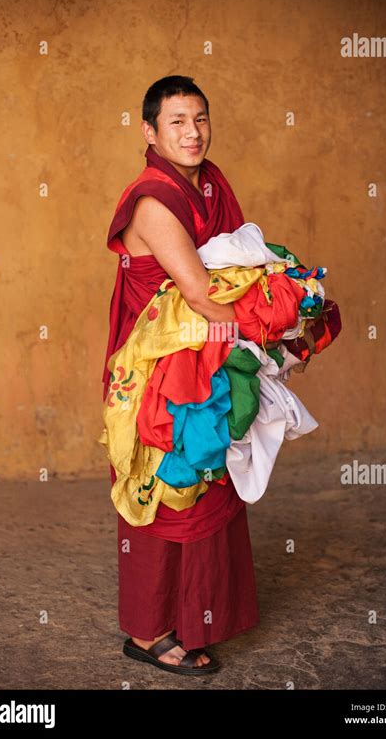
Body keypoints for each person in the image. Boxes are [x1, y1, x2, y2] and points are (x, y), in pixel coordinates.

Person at [103, 75, 280, 675]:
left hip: (206, 360)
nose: (192, 132)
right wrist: (271, 333)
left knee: (208, 480)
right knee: (163, 490)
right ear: (149, 131)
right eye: (176, 121)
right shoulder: (154, 199)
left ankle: (194, 613)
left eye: (200, 118)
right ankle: (148, 631)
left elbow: (241, 256)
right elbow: (203, 293)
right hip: (157, 370)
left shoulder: (210, 182)